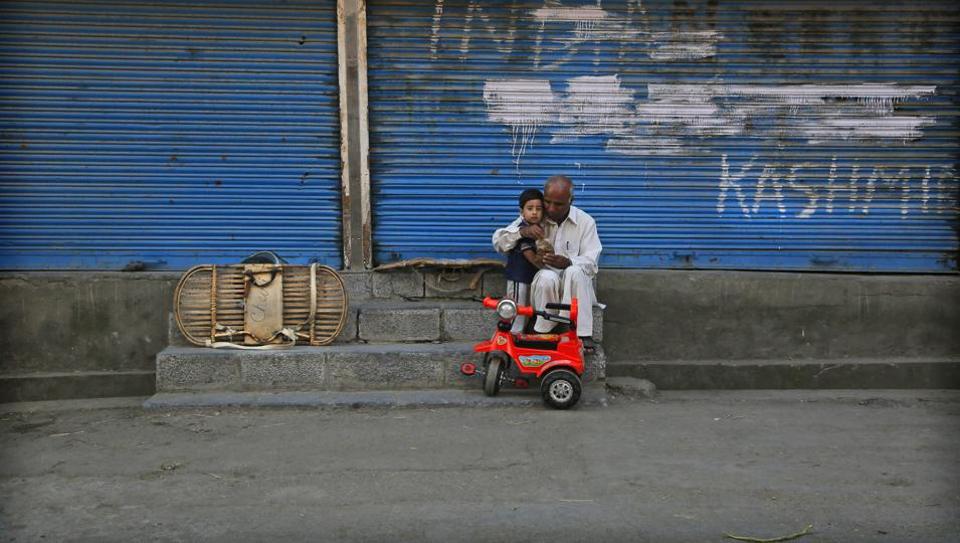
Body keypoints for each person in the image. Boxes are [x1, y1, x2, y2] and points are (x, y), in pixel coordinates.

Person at [492, 175, 602, 350]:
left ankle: (583, 334)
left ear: (570, 201)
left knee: (575, 271)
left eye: (558, 204)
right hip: (543, 288)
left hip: (573, 286)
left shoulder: (585, 222)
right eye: (547, 202)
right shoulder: (536, 215)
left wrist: (568, 262)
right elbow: (498, 242)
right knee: (546, 275)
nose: (550, 208)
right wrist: (523, 232)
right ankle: (542, 331)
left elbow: (591, 263)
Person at [503, 188, 546, 333]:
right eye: (530, 208)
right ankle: (512, 337)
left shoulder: (538, 228)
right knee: (517, 308)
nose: (534, 212)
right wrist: (544, 265)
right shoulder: (523, 230)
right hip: (518, 278)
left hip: (529, 277)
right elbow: (531, 257)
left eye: (538, 209)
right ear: (521, 211)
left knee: (527, 309)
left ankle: (520, 337)